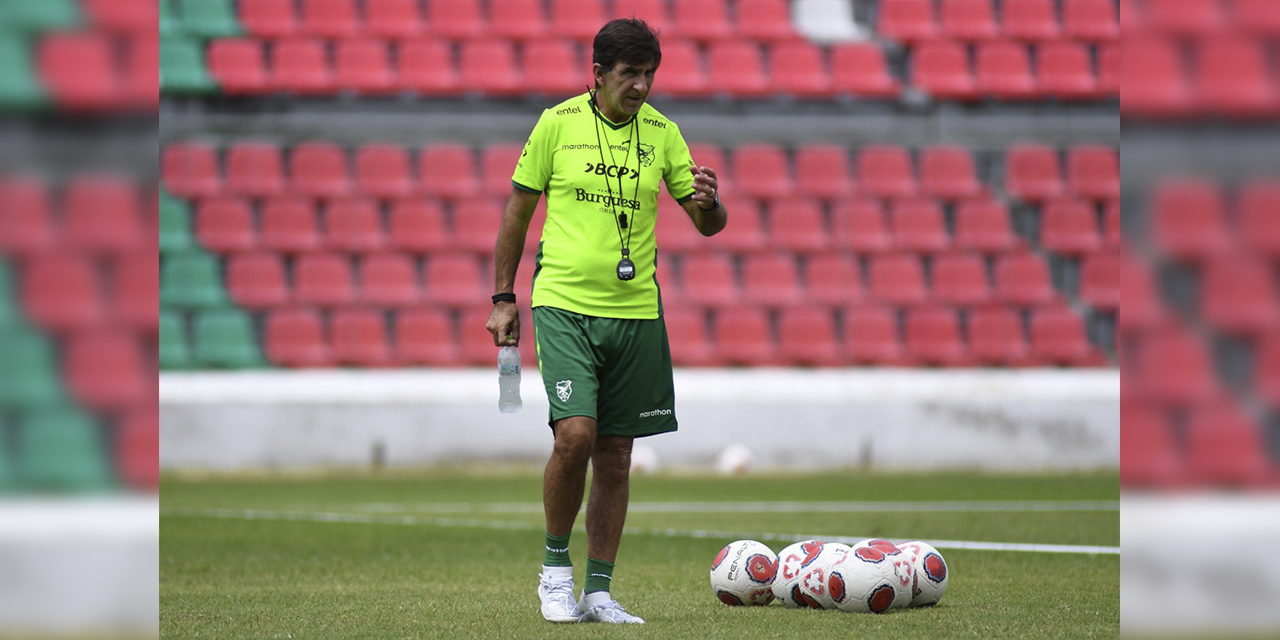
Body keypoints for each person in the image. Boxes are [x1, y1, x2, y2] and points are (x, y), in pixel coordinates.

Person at [484, 18, 727, 625]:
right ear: (597, 74)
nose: (641, 86)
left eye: (649, 74)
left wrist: (711, 204)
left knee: (617, 455)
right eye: (629, 74)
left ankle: (599, 592)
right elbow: (517, 212)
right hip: (563, 304)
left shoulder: (665, 136)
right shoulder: (555, 125)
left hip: (637, 312)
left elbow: (706, 225)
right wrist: (502, 296)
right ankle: (554, 573)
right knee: (576, 437)